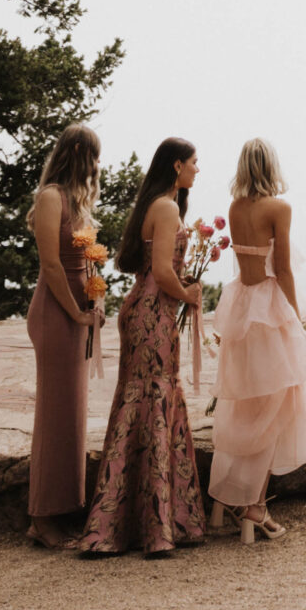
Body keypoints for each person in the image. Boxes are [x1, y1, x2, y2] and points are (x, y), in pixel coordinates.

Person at [75, 137, 206, 558]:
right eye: (193, 163)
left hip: (148, 311)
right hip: (153, 312)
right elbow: (165, 272)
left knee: (146, 402)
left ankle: (135, 522)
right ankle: (151, 526)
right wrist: (190, 294)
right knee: (151, 400)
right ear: (175, 166)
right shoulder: (166, 208)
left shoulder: (160, 206)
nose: (197, 170)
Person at [207, 138, 306, 542]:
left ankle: (224, 500)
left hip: (241, 305)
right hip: (269, 309)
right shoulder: (280, 208)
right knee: (274, 408)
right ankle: (255, 506)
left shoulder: (235, 207)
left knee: (244, 405)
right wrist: (295, 317)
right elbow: (283, 269)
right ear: (271, 165)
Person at [24, 123, 104, 548]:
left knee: (72, 416)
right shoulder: (51, 197)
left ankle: (63, 508)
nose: (97, 165)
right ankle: (41, 517)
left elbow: (85, 262)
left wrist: (96, 301)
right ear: (77, 152)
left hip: (76, 314)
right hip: (56, 315)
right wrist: (75, 312)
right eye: (94, 156)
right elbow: (51, 264)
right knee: (54, 416)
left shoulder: (75, 200)